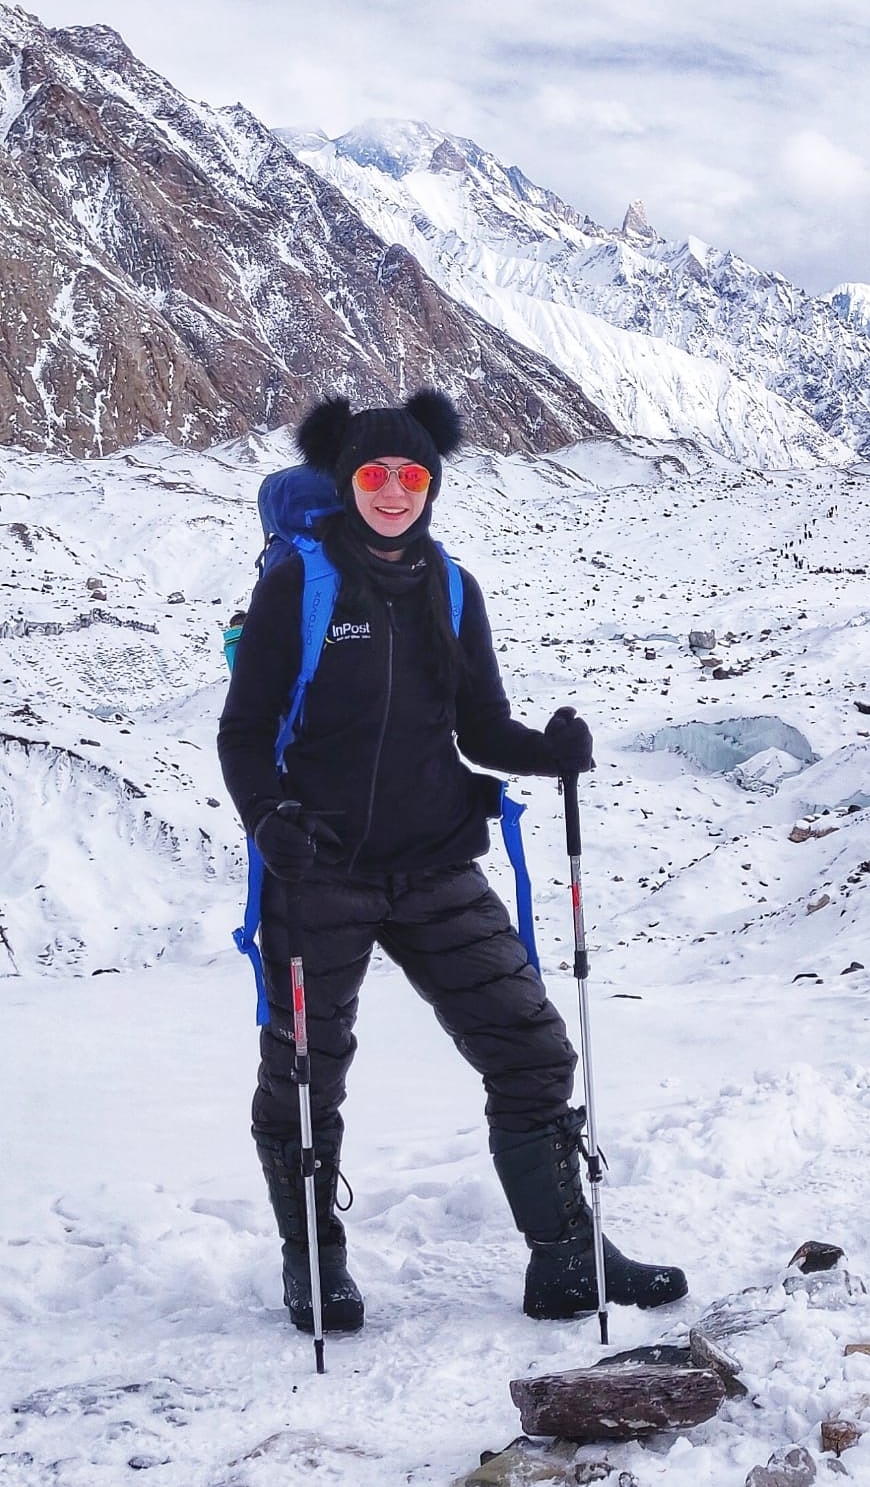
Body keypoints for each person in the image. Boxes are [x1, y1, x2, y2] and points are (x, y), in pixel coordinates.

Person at [218, 390, 687, 1333]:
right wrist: (268, 817)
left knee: (533, 1047)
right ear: (345, 480)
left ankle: (566, 1260)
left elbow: (478, 726)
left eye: (412, 475)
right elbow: (245, 730)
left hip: (437, 861)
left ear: (432, 483)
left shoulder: (451, 587)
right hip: (322, 869)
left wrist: (546, 751)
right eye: (373, 474)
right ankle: (315, 1261)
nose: (393, 491)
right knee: (306, 1072)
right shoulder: (298, 585)